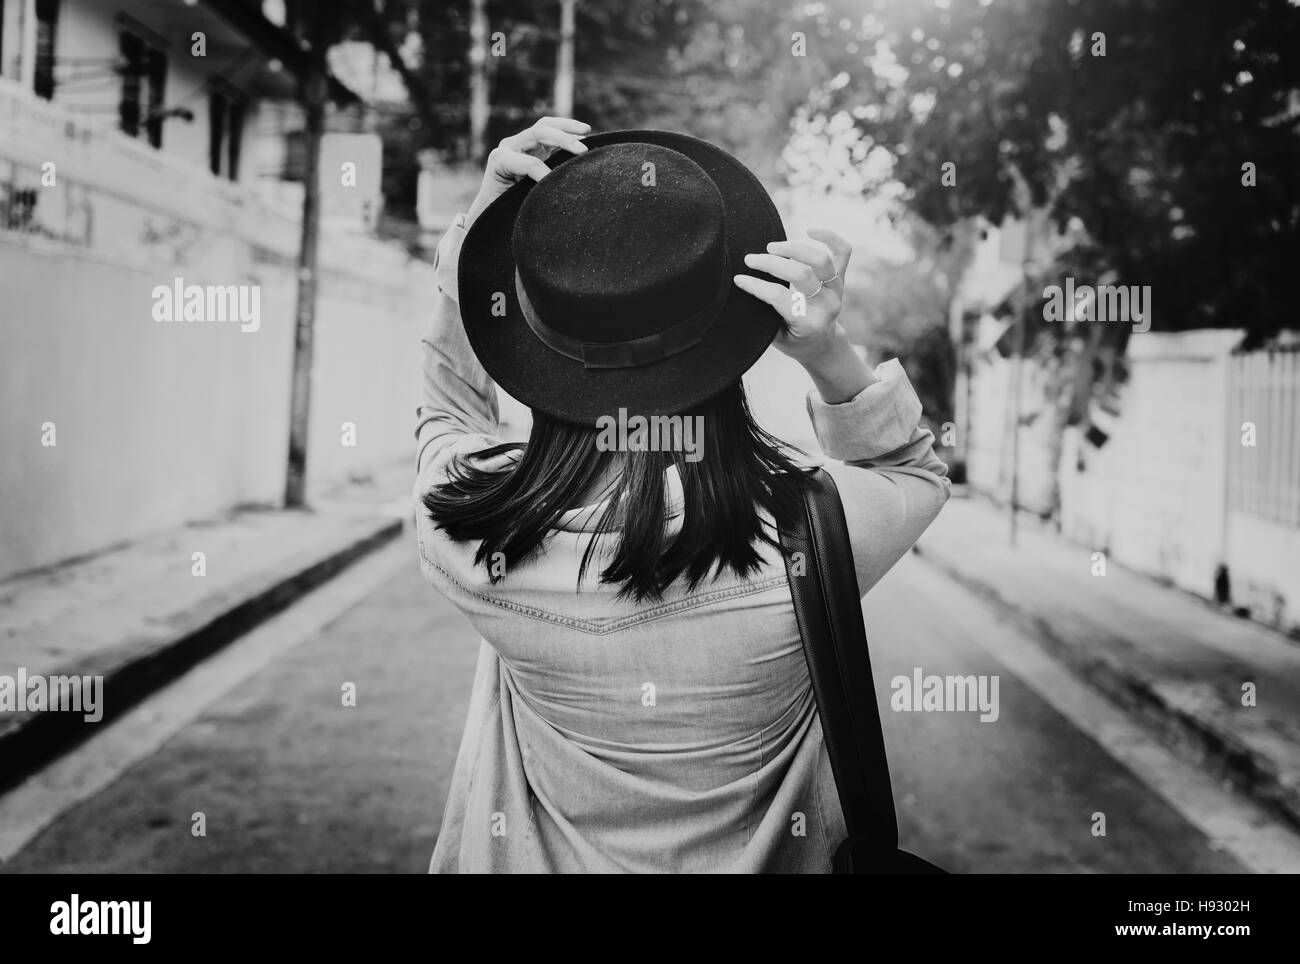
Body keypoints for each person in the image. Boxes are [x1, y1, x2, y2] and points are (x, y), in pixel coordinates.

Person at [414, 117, 950, 873]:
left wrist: (476, 234)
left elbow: (444, 410)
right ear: (732, 333)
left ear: (539, 341)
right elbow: (913, 471)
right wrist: (826, 351)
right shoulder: (807, 533)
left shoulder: (468, 537)